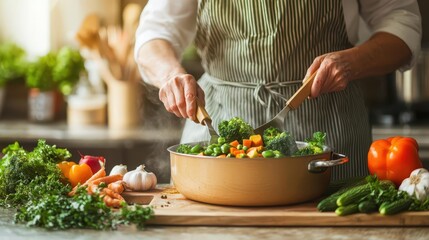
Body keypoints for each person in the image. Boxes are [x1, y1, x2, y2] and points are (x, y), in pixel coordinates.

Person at [134, 0, 422, 181]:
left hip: (329, 125)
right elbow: (153, 34)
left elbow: (403, 23)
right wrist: (172, 74)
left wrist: (352, 61)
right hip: (218, 115)